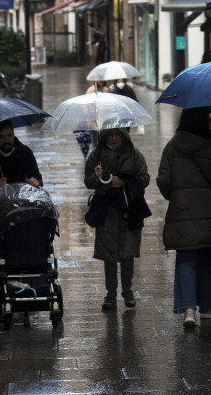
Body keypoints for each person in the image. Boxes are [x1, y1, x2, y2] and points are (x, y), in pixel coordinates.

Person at [156, 108, 211, 328]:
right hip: (210, 211)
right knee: (207, 260)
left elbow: (163, 180)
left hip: (182, 210)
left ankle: (188, 310)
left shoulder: (172, 147)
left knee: (186, 260)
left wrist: (175, 194)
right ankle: (206, 308)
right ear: (206, 121)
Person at [0, 120, 42, 305]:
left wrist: (34, 183)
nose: (6, 140)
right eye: (2, 137)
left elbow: (37, 178)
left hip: (22, 214)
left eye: (9, 136)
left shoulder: (25, 153)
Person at [85, 128, 151, 310]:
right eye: (110, 134)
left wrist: (125, 182)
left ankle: (127, 290)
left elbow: (145, 178)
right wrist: (97, 176)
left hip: (130, 210)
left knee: (128, 252)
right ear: (105, 135)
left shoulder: (134, 154)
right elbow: (88, 182)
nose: (114, 139)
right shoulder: (96, 156)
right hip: (107, 211)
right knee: (109, 255)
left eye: (118, 134)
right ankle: (111, 294)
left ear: (123, 135)